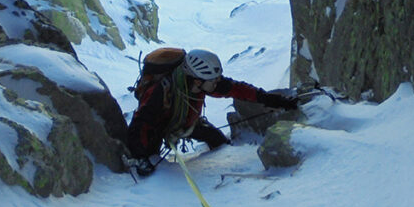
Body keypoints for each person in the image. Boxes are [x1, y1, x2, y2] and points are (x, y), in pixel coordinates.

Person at [125, 48, 299, 176]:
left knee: (219, 142)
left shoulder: (204, 83)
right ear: (197, 81)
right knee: (150, 157)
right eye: (213, 80)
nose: (217, 82)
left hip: (187, 123)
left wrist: (274, 101)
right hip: (158, 126)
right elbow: (142, 122)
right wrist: (140, 157)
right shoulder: (162, 91)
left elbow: (240, 90)